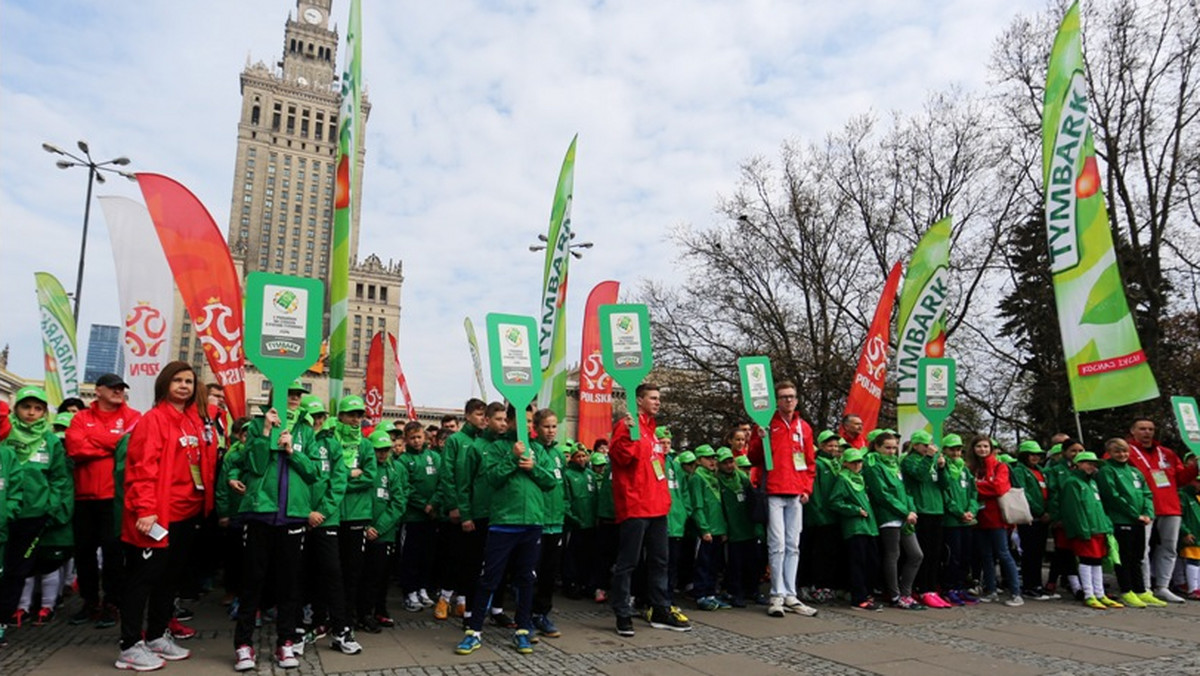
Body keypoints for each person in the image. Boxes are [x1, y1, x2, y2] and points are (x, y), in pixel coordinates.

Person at [115, 363, 217, 670]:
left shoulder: (192, 421)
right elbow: (141, 468)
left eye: (189, 381)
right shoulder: (153, 420)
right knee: (142, 580)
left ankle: (157, 635)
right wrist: (145, 510)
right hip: (157, 517)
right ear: (165, 384)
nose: (185, 385)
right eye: (178, 380)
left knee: (169, 580)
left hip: (186, 514)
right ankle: (130, 645)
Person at [454, 407, 557, 656]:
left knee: (525, 579)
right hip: (503, 523)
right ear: (510, 422)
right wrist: (512, 457)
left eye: (531, 421)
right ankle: (474, 631)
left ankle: (522, 630)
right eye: (522, 421)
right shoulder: (496, 448)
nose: (527, 425)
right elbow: (492, 479)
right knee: (490, 578)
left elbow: (551, 481)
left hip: (532, 523)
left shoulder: (539, 449)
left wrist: (533, 467)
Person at [233, 381, 319, 671]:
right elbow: (253, 466)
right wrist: (267, 433)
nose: (293, 399)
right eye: (289, 394)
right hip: (261, 514)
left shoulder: (306, 431)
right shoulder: (257, 425)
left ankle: (286, 642)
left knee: (289, 584)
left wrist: (293, 451)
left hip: (293, 516)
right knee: (252, 581)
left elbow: (313, 473)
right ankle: (244, 645)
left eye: (297, 395)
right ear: (274, 396)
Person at [608, 383, 690, 637]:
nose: (658, 402)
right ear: (639, 400)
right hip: (635, 506)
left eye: (658, 398)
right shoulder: (627, 426)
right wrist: (626, 434)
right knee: (628, 562)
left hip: (657, 507)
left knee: (659, 561)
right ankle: (622, 612)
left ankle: (660, 609)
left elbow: (653, 467)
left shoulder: (652, 431)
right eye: (653, 398)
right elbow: (621, 458)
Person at [64, 373, 141, 629]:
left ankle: (112, 603)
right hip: (84, 497)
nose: (118, 391)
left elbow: (130, 446)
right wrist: (111, 444)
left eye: (121, 388)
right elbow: (75, 449)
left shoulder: (133, 417)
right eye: (113, 388)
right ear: (98, 391)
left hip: (114, 498)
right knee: (84, 552)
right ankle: (89, 602)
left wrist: (95, 440)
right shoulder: (80, 417)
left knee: (113, 553)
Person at [0, 386, 72, 645]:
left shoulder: (50, 440)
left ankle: (6, 617)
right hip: (3, 516)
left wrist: (50, 507)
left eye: (38, 408)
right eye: (26, 407)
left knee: (18, 570)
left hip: (33, 515)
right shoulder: (6, 434)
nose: (31, 413)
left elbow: (59, 478)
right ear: (16, 408)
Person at [745, 380, 818, 618]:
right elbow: (754, 457)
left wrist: (806, 488)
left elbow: (809, 462)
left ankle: (790, 594)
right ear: (777, 401)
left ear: (797, 400)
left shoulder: (803, 427)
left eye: (792, 396)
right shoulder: (767, 423)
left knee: (793, 545)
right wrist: (758, 437)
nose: (788, 400)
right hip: (774, 490)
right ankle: (776, 594)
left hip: (796, 492)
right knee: (776, 545)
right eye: (784, 397)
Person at [1126, 417, 1198, 603]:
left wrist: (1195, 467)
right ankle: (1144, 588)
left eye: (1150, 428)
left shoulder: (1166, 453)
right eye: (1142, 428)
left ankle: (1163, 587)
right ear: (1133, 431)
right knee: (1142, 549)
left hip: (1170, 506)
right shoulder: (1125, 451)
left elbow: (1181, 479)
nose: (1147, 432)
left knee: (1169, 548)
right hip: (1144, 507)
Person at [1095, 438, 1163, 607]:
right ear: (1109, 453)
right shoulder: (1107, 471)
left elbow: (1146, 493)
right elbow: (1113, 496)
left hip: (1139, 521)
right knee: (1124, 557)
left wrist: (1148, 513)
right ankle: (1126, 590)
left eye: (1125, 451)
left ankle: (1140, 590)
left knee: (1137, 556)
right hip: (1121, 520)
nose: (1122, 454)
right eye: (1117, 451)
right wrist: (1134, 514)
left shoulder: (1135, 471)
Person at [331, 396, 378, 636]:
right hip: (333, 514)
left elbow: (370, 476)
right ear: (340, 416)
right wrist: (350, 476)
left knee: (353, 571)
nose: (356, 420)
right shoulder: (331, 440)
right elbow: (326, 475)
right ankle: (330, 616)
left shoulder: (366, 445)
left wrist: (342, 481)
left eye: (359, 415)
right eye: (351, 415)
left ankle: (347, 617)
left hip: (358, 515)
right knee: (331, 569)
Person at [436, 399, 487, 622]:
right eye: (478, 414)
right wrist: (454, 505)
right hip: (459, 511)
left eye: (484, 415)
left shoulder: (484, 442)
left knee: (472, 560)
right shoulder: (456, 441)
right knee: (453, 556)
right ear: (467, 416)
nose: (482, 419)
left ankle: (464, 601)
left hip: (478, 511)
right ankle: (444, 598)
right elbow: (447, 475)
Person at [864, 431, 924, 610]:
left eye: (894, 448)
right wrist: (904, 512)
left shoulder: (895, 464)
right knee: (893, 554)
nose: (891, 451)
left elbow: (904, 490)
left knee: (916, 554)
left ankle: (906, 592)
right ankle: (895, 594)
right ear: (877, 447)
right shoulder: (873, 464)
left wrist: (911, 508)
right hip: (888, 516)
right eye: (887, 448)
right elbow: (882, 494)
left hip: (905, 515)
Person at [1057, 450, 1120, 608]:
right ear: (1078, 464)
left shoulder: (1092, 482)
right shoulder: (1073, 483)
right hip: (1086, 530)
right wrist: (1082, 529)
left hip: (1098, 528)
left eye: (1093, 464)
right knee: (1086, 561)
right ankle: (1089, 593)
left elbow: (1099, 506)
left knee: (1097, 562)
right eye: (1088, 463)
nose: (1091, 466)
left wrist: (1106, 526)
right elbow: (1074, 510)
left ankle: (1099, 593)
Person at [966, 435, 1023, 607]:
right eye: (979, 446)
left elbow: (999, 487)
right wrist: (982, 488)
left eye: (985, 446)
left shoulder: (1000, 466)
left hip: (997, 518)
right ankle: (990, 590)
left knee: (1003, 554)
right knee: (986, 556)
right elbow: (968, 490)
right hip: (979, 518)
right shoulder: (972, 468)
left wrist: (976, 486)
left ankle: (1015, 593)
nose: (982, 449)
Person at [360, 430, 406, 630]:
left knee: (380, 576)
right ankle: (362, 613)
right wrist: (365, 527)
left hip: (383, 534)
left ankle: (378, 610)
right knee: (362, 577)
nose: (382, 454)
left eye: (386, 450)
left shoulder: (393, 472)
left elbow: (398, 502)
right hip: (361, 531)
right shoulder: (364, 469)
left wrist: (378, 528)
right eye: (379, 450)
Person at [827, 448, 881, 611]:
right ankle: (858, 598)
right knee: (858, 563)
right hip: (855, 527)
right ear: (845, 463)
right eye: (854, 462)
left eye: (859, 461)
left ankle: (866, 594)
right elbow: (834, 502)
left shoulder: (860, 478)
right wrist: (854, 510)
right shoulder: (843, 479)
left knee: (870, 562)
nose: (858, 465)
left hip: (868, 527)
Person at [901, 430, 949, 608]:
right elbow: (919, 476)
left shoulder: (934, 461)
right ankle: (921, 588)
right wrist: (928, 458)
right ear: (915, 445)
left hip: (937, 509)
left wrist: (943, 468)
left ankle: (931, 587)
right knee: (923, 552)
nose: (929, 448)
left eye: (930, 444)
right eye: (925, 445)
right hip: (921, 510)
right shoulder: (909, 460)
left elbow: (945, 484)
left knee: (935, 553)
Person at [397, 421, 440, 613]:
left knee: (428, 555)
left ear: (425, 438)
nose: (416, 441)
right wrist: (424, 505)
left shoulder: (434, 457)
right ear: (406, 439)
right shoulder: (403, 461)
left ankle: (422, 589)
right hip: (413, 518)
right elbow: (407, 488)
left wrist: (434, 503)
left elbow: (442, 482)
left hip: (432, 518)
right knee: (411, 557)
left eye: (419, 437)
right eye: (412, 438)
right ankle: (410, 592)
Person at [531, 414, 567, 639]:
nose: (551, 430)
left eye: (554, 426)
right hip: (538, 521)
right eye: (546, 426)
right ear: (536, 428)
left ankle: (542, 614)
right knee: (531, 573)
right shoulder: (532, 450)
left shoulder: (558, 454)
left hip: (557, 523)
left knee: (549, 573)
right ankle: (525, 615)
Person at [1011, 440, 1055, 601]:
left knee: (1038, 553)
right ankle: (1030, 585)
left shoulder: (1041, 471)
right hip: (1030, 517)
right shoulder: (1019, 471)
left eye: (1038, 454)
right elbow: (1023, 493)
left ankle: (1037, 584)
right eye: (1031, 454)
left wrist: (1048, 511)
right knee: (1030, 553)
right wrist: (1040, 510)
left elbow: (1049, 492)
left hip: (1042, 518)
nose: (1035, 457)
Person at [688, 445, 727, 611]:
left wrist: (723, 529)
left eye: (714, 458)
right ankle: (700, 594)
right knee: (703, 563)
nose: (712, 461)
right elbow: (697, 506)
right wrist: (704, 528)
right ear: (699, 460)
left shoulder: (714, 477)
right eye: (708, 458)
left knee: (714, 564)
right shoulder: (697, 477)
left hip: (718, 528)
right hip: (707, 530)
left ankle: (711, 593)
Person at [717, 447, 757, 607]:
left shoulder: (741, 477)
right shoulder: (717, 480)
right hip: (732, 530)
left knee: (752, 563)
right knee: (735, 565)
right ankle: (735, 592)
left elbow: (752, 499)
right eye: (725, 463)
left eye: (731, 461)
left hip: (747, 526)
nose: (729, 465)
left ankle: (753, 590)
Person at [562, 446, 598, 599]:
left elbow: (596, 497)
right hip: (575, 524)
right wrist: (573, 518)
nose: (582, 459)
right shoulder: (568, 474)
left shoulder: (590, 475)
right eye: (578, 456)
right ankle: (571, 585)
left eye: (584, 456)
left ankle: (586, 584)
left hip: (590, 524)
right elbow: (565, 499)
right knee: (571, 557)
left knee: (587, 556)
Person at [1179, 481, 1200, 600]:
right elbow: (1179, 517)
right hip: (1193, 535)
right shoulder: (1184, 495)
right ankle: (1193, 588)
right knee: (1193, 562)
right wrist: (1185, 531)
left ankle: (1197, 588)